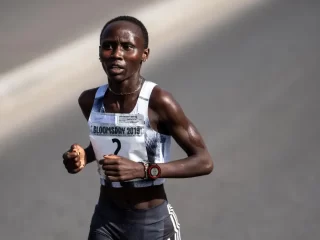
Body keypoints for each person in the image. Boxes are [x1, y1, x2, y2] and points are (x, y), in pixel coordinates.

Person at [62, 15, 214, 240]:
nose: (116, 54)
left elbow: (204, 161)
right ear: (100, 53)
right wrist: (84, 154)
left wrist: (143, 170)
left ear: (144, 55)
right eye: (108, 46)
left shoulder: (159, 101)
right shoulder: (90, 100)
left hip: (149, 222)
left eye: (127, 47)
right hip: (106, 218)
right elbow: (114, 144)